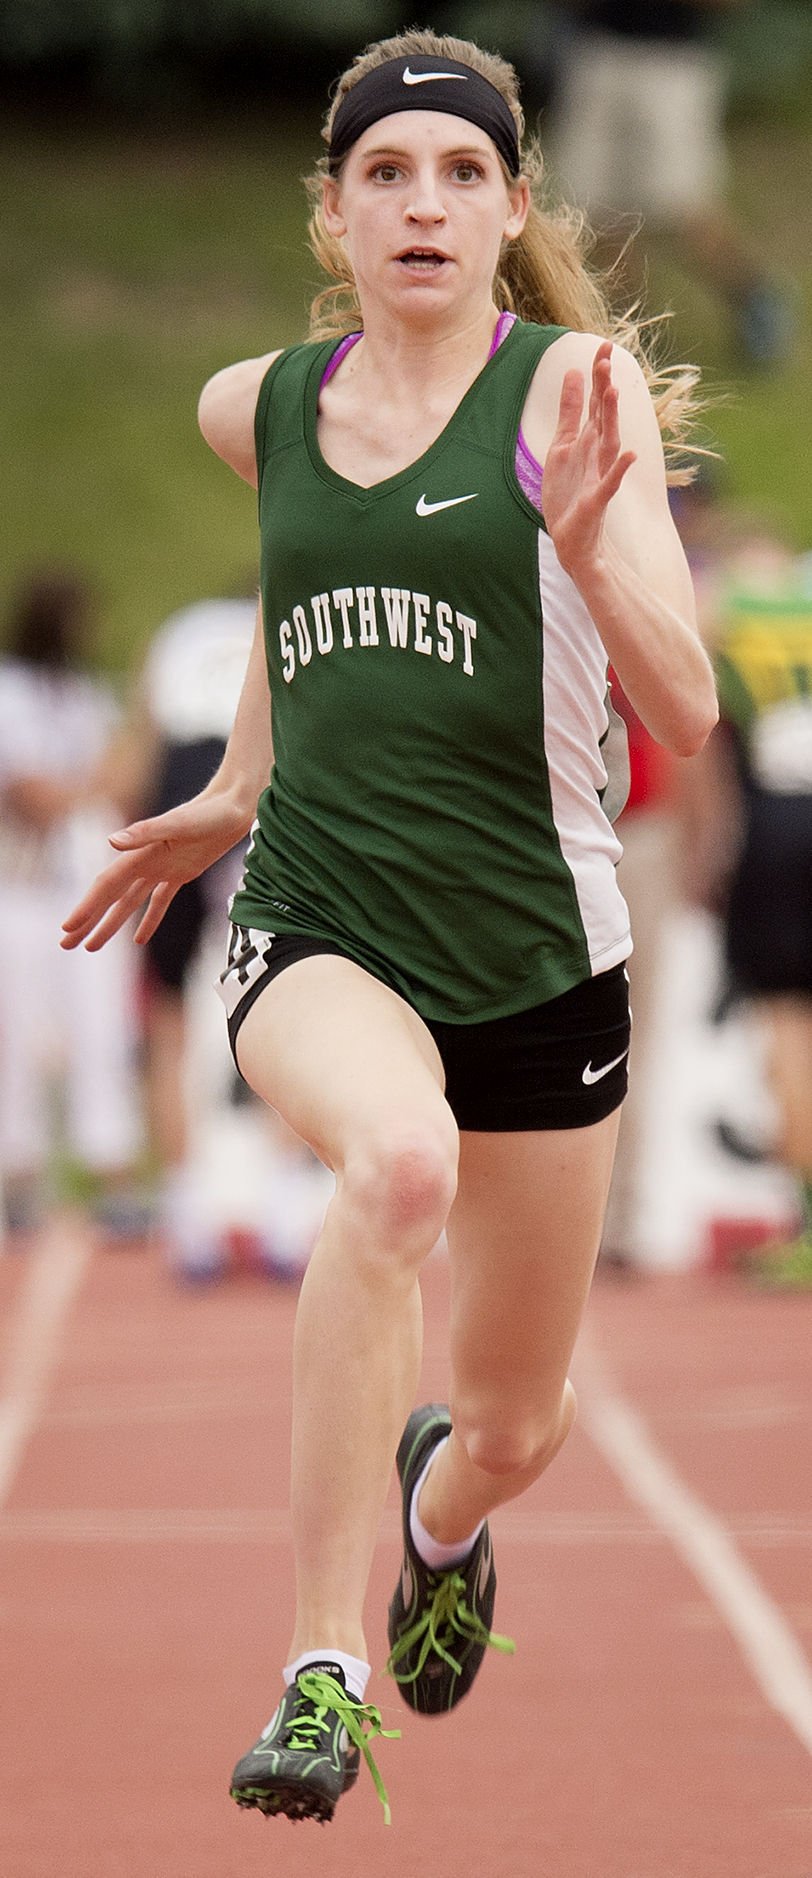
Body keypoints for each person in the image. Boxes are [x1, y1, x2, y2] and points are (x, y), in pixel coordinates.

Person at [61, 27, 718, 1826]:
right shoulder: (254, 404)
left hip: (537, 956)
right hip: (320, 923)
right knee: (395, 1172)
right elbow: (297, 570)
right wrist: (236, 790)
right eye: (384, 176)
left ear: (509, 208)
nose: (421, 204)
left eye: (457, 175)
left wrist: (592, 544)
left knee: (518, 1419)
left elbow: (681, 712)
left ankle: (442, 1515)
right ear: (333, 215)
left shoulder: (571, 398)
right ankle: (322, 1665)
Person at [0, 568, 143, 1240]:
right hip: (20, 891)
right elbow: (30, 796)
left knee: (100, 1031)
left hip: (85, 883)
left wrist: (81, 788)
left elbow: (120, 784)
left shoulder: (84, 693)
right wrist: (84, 787)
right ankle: (20, 1178)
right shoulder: (11, 692)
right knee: (17, 1037)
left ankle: (110, 1173)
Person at [547, 0, 790, 368]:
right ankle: (634, 335)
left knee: (680, 209)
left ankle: (753, 297)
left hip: (672, 63)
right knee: (599, 211)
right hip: (597, 53)